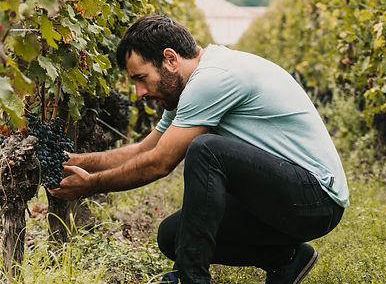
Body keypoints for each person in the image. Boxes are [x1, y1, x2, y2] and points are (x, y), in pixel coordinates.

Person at [48, 15, 348, 284]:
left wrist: (89, 186)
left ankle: (189, 277)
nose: (139, 93)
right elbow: (147, 148)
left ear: (170, 59)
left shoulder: (213, 78)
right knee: (172, 236)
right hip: (282, 197)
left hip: (315, 200)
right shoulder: (189, 87)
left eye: (141, 78)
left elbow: (158, 163)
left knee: (207, 150)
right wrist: (77, 162)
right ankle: (287, 260)